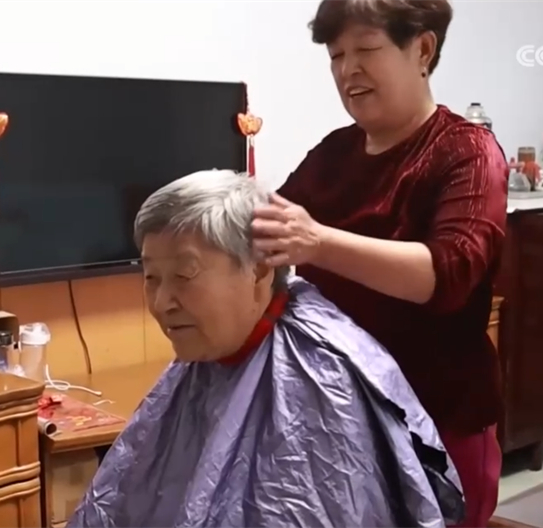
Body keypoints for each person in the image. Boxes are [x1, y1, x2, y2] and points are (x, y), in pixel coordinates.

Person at [68, 170, 464, 528]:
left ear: (258, 268)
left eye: (185, 275)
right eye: (151, 277)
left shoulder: (320, 378)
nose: (161, 302)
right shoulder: (209, 348)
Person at [251, 0, 507, 526]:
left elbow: (449, 273)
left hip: (439, 427)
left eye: (366, 49)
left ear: (423, 49)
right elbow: (270, 226)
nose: (348, 70)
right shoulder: (334, 154)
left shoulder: (468, 151)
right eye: (336, 55)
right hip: (344, 421)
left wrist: (318, 242)